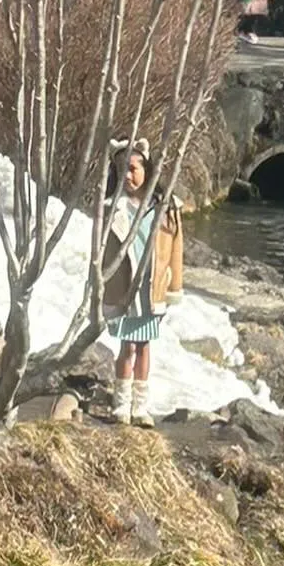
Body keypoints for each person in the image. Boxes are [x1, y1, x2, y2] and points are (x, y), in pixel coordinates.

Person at [102, 142, 184, 428]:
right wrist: (99, 287)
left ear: (147, 171)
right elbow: (101, 254)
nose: (127, 176)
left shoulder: (164, 208)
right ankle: (121, 404)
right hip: (125, 289)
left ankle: (141, 406)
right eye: (121, 170)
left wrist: (174, 286)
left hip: (152, 289)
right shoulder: (112, 208)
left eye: (133, 169)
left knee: (144, 345)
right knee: (128, 347)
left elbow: (175, 250)